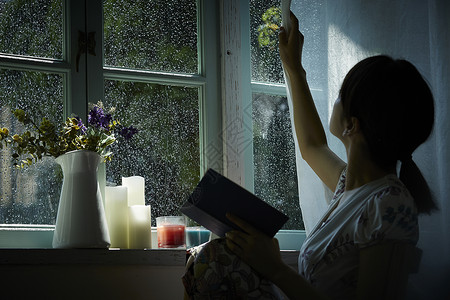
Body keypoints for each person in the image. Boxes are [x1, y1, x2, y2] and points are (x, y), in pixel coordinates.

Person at [183, 12, 436, 300]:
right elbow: (313, 146)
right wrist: (293, 67)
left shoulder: (390, 204)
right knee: (210, 258)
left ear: (352, 124)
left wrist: (276, 269)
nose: (335, 100)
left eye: (341, 94)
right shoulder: (351, 186)